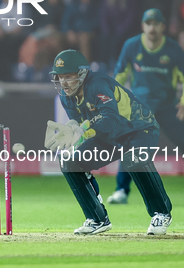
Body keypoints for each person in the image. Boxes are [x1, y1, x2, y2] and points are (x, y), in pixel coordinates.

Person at [45, 49, 173, 235]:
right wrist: (74, 129)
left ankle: (161, 213)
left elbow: (110, 118)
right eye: (60, 77)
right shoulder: (67, 97)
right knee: (69, 161)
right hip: (108, 138)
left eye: (68, 76)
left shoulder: (97, 84)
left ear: (82, 74)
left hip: (138, 129)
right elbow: (82, 123)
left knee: (134, 158)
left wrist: (83, 131)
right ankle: (97, 219)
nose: (63, 82)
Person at [108, 9, 184, 206]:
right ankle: (121, 190)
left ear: (163, 27)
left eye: (156, 23)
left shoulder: (173, 49)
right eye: (148, 23)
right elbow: (120, 76)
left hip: (167, 107)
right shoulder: (132, 46)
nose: (152, 28)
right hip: (139, 109)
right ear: (143, 26)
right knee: (130, 148)